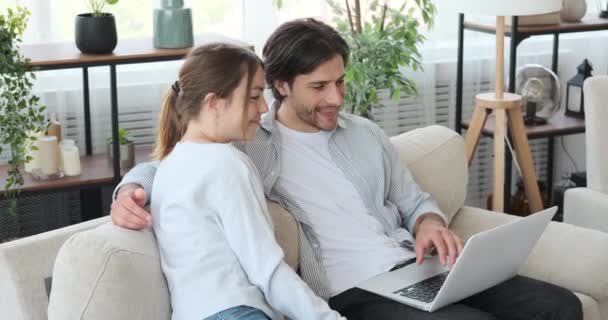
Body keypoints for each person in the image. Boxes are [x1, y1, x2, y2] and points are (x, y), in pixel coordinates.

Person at [112, 19, 583, 320]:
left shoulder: (363, 133)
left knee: (558, 306)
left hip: (414, 268)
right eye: (319, 86)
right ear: (280, 85)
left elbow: (413, 199)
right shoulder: (249, 143)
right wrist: (127, 190)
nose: (336, 98)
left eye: (339, 82)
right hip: (353, 291)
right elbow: (175, 161)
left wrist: (429, 224)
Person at [148, 43, 344, 320]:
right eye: (253, 97)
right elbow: (267, 268)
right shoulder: (225, 163)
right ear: (214, 102)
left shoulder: (170, 164)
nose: (264, 108)